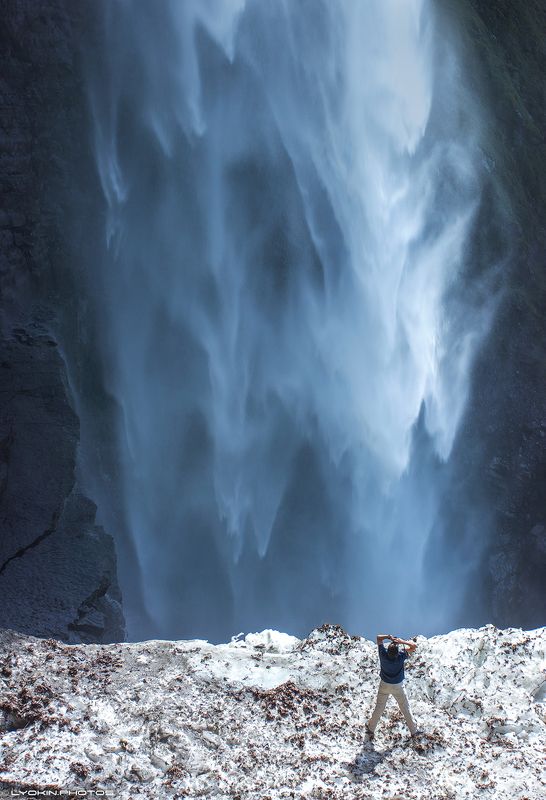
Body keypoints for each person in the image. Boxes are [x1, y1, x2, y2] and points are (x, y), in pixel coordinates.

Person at [366, 633, 418, 738]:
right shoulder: (401, 656)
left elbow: (378, 638)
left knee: (379, 707)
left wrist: (388, 637)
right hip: (398, 686)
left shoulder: (383, 655)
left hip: (384, 684)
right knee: (405, 707)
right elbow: (414, 647)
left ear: (388, 650)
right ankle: (413, 731)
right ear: (397, 652)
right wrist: (402, 641)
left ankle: (371, 729)